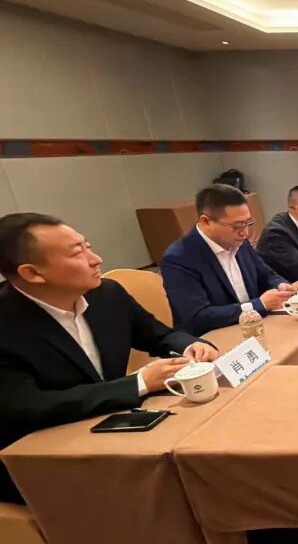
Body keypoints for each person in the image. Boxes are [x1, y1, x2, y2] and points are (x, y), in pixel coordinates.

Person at [0, 213, 218, 504]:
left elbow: (159, 336)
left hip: (114, 429)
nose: (96, 259)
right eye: (77, 253)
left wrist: (192, 345)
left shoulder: (106, 294)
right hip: (40, 460)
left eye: (88, 246)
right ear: (32, 273)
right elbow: (28, 406)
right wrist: (138, 383)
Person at [162, 184, 297, 335]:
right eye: (236, 226)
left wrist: (280, 285)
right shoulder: (179, 258)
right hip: (214, 338)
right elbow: (197, 317)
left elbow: (266, 274)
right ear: (206, 222)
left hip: (255, 327)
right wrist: (259, 305)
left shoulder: (239, 241)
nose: (245, 232)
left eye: (248, 223)